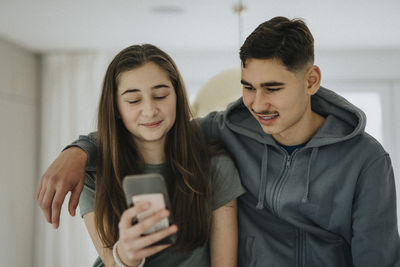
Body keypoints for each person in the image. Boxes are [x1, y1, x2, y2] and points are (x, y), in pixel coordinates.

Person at [36, 17, 400, 267]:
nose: (257, 104)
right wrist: (78, 150)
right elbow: (153, 131)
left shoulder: (366, 160)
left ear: (311, 80)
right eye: (248, 87)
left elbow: (377, 260)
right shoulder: (229, 128)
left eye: (273, 88)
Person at [38, 44, 245, 267]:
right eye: (134, 100)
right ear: (116, 107)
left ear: (177, 95)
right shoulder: (96, 172)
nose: (149, 109)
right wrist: (126, 255)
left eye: (160, 95)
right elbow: (111, 262)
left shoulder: (216, 166)